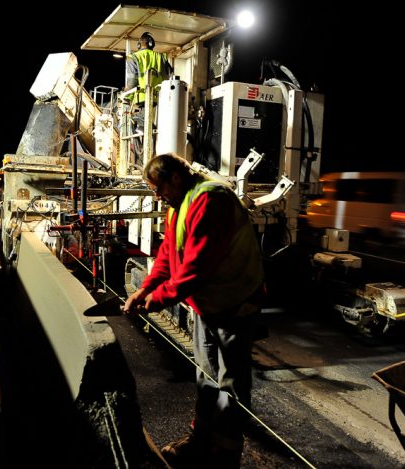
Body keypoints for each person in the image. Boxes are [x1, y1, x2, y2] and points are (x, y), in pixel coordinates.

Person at [123, 153, 264, 467]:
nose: (156, 196)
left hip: (235, 304)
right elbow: (168, 254)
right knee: (206, 377)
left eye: (158, 189)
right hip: (209, 304)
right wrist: (146, 288)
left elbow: (195, 269)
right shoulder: (181, 202)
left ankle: (226, 453)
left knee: (230, 385)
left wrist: (155, 300)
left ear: (174, 178)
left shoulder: (211, 199)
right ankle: (201, 439)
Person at [124, 32, 173, 166]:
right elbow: (170, 74)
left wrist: (125, 98)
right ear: (152, 45)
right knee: (152, 128)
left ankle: (145, 162)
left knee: (138, 128)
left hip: (142, 99)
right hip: (160, 99)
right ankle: (151, 159)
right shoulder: (161, 58)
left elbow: (131, 82)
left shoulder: (133, 57)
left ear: (139, 44)